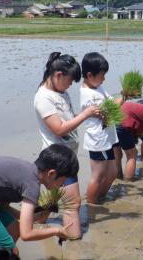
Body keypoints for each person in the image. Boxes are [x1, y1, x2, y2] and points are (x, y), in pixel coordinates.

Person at [34, 52, 100, 239]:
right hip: (56, 161)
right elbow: (60, 129)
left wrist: (91, 113)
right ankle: (74, 240)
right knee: (73, 203)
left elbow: (69, 119)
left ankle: (35, 224)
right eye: (70, 80)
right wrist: (85, 114)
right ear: (58, 75)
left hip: (67, 157)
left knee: (53, 201)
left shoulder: (61, 92)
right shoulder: (43, 98)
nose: (71, 85)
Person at [0, 144, 79, 254]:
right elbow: (26, 235)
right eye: (63, 182)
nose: (62, 185)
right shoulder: (32, 185)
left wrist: (29, 216)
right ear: (52, 174)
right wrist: (57, 230)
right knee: (11, 251)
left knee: (14, 229)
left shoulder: (28, 171)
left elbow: (3, 206)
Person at [80, 52, 119, 204]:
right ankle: (91, 204)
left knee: (113, 172)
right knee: (98, 176)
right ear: (90, 75)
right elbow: (107, 112)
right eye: (102, 75)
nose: (104, 78)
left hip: (107, 137)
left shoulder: (98, 87)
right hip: (98, 140)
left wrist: (124, 96)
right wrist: (122, 99)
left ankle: (99, 197)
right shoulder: (87, 94)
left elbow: (111, 103)